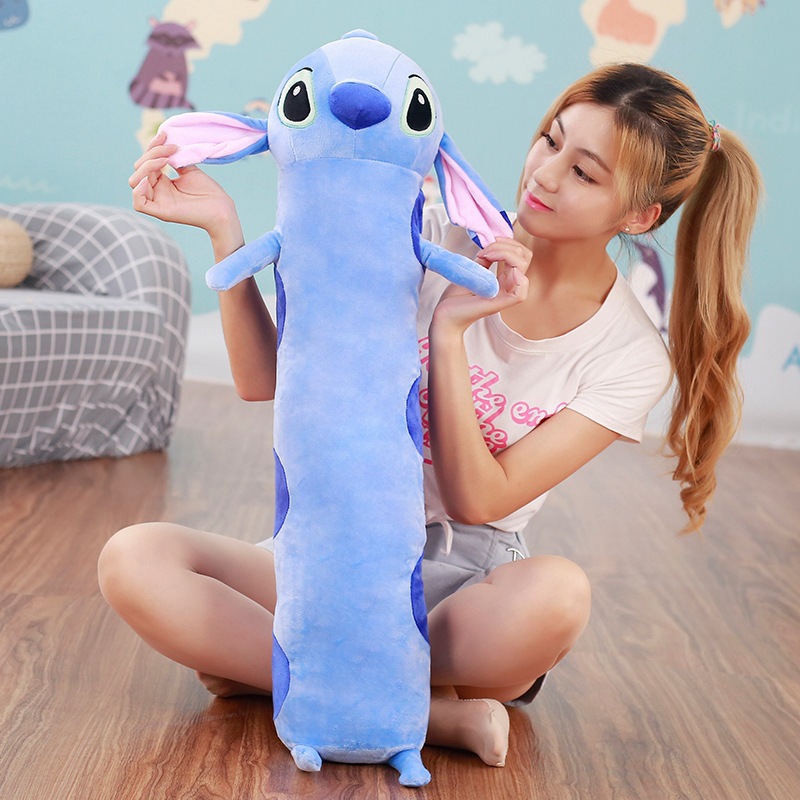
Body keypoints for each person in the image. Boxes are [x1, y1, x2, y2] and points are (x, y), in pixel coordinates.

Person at [98, 63, 762, 768]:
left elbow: (480, 500)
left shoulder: (629, 354)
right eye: (550, 140)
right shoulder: (429, 234)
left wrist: (449, 331)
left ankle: (294, 673)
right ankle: (427, 714)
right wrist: (224, 233)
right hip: (338, 546)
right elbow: (265, 380)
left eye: (584, 173)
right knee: (135, 561)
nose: (543, 174)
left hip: (465, 579)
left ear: (639, 216)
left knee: (558, 597)